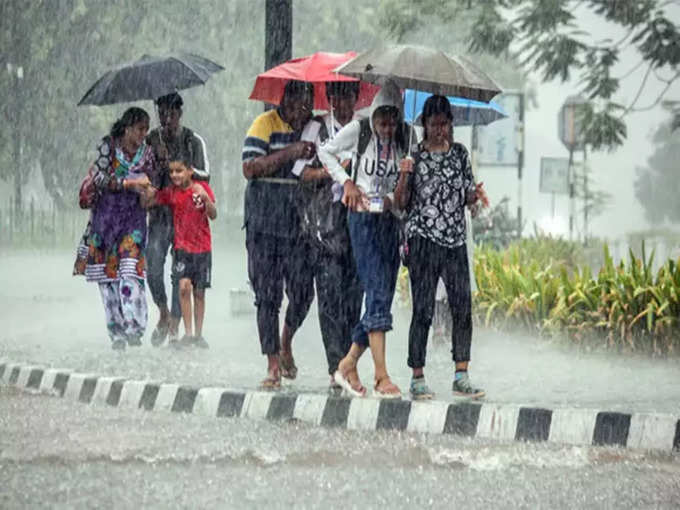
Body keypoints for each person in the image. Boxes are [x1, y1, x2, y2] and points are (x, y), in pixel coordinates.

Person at [318, 81, 413, 398]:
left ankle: (347, 362)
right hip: (361, 220)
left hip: (390, 222)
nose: (387, 127)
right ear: (373, 115)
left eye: (392, 120)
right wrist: (346, 182)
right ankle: (381, 375)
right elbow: (325, 151)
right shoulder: (358, 131)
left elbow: (402, 192)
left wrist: (394, 191)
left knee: (382, 296)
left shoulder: (407, 137)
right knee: (374, 290)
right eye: (382, 120)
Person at [394, 94, 486, 399]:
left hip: (455, 241)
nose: (439, 130)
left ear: (451, 124)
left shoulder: (460, 154)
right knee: (423, 309)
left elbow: (467, 194)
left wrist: (476, 197)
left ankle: (461, 373)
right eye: (434, 124)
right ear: (424, 125)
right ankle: (417, 375)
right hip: (423, 240)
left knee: (462, 307)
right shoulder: (414, 157)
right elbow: (401, 204)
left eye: (444, 124)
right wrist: (405, 175)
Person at [242, 80, 316, 389]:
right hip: (263, 222)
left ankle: (286, 340)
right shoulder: (264, 124)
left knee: (303, 291)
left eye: (307, 105)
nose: (302, 112)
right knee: (267, 295)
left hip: (298, 223)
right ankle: (272, 363)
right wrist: (291, 152)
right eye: (298, 104)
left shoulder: (313, 129)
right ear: (285, 101)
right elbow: (250, 168)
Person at [294, 81, 363, 393]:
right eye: (337, 95)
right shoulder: (316, 128)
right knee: (329, 297)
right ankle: (334, 365)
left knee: (354, 298)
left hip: (359, 226)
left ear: (356, 97)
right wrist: (333, 172)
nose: (343, 101)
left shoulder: (366, 130)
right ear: (330, 97)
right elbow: (301, 174)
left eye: (349, 95)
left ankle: (350, 364)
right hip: (323, 228)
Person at [84, 107, 155, 350]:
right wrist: (128, 183)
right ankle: (116, 332)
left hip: (133, 221)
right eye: (139, 129)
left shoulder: (148, 153)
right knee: (108, 279)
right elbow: (99, 178)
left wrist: (148, 192)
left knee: (130, 272)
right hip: (106, 220)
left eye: (146, 129)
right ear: (127, 128)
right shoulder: (108, 146)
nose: (143, 134)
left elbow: (151, 183)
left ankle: (134, 327)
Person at [146, 92, 210, 347]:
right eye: (162, 113)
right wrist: (157, 164)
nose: (167, 119)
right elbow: (143, 173)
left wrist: (184, 175)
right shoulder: (151, 140)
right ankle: (163, 311)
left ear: (180, 114)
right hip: (161, 214)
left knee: (179, 271)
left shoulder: (193, 140)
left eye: (172, 113)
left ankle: (175, 321)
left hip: (186, 217)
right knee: (153, 264)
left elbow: (206, 175)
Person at [147, 159, 216, 348]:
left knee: (199, 292)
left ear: (190, 171)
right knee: (184, 287)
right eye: (172, 172)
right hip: (182, 249)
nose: (175, 175)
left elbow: (213, 214)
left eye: (179, 171)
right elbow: (152, 200)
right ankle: (187, 333)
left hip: (202, 248)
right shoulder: (172, 193)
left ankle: (199, 335)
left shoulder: (201, 188)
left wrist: (206, 199)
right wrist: (146, 190)